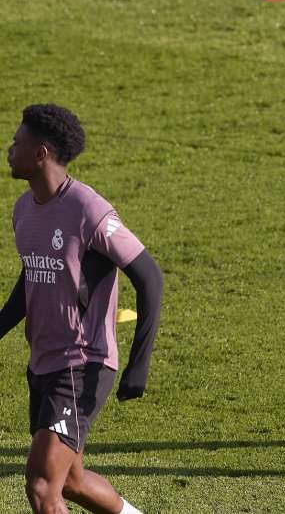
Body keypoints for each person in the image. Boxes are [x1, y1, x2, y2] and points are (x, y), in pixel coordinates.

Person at [0, 104, 163, 514]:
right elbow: (32, 277)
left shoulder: (89, 210)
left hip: (82, 362)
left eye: (17, 143)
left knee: (42, 485)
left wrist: (139, 364)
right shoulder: (23, 210)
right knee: (70, 482)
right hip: (43, 362)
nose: (9, 150)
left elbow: (150, 277)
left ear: (41, 153)